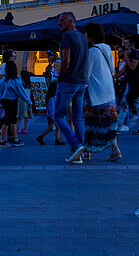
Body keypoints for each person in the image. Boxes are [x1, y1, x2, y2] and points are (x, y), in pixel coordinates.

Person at [81, 22, 122, 162]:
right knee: (108, 123)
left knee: (91, 123)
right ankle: (115, 150)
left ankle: (87, 151)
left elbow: (86, 74)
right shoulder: (107, 48)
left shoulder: (91, 51)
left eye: (85, 33)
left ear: (90, 35)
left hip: (95, 93)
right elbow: (112, 70)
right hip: (109, 91)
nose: (84, 35)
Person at [54, 12, 88, 164]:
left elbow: (65, 61)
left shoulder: (67, 36)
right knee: (78, 118)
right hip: (81, 82)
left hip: (68, 81)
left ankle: (75, 145)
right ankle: (80, 151)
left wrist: (60, 79)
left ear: (71, 21)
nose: (59, 23)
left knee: (59, 115)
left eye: (61, 20)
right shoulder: (82, 37)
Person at [0, 61, 31, 146]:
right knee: (10, 120)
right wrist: (28, 101)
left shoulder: (4, 79)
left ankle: (14, 139)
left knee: (10, 120)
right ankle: (4, 140)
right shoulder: (16, 79)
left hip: (4, 100)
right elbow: (21, 91)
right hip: (13, 101)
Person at [120, 37, 139, 135]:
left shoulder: (135, 53)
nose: (124, 45)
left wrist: (126, 56)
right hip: (130, 82)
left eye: (126, 43)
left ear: (132, 45)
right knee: (129, 103)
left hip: (134, 83)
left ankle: (125, 123)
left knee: (134, 103)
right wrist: (115, 77)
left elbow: (132, 67)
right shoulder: (131, 54)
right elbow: (126, 69)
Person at [35, 50, 62, 146]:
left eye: (49, 56)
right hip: (52, 104)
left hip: (54, 96)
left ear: (53, 56)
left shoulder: (57, 63)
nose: (47, 58)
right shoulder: (55, 64)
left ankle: (57, 139)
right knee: (53, 124)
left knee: (56, 122)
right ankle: (44, 137)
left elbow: (60, 75)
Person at [17, 69, 34, 134]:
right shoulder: (29, 83)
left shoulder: (20, 83)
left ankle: (18, 128)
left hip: (20, 100)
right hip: (27, 101)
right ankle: (25, 128)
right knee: (26, 115)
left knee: (18, 115)